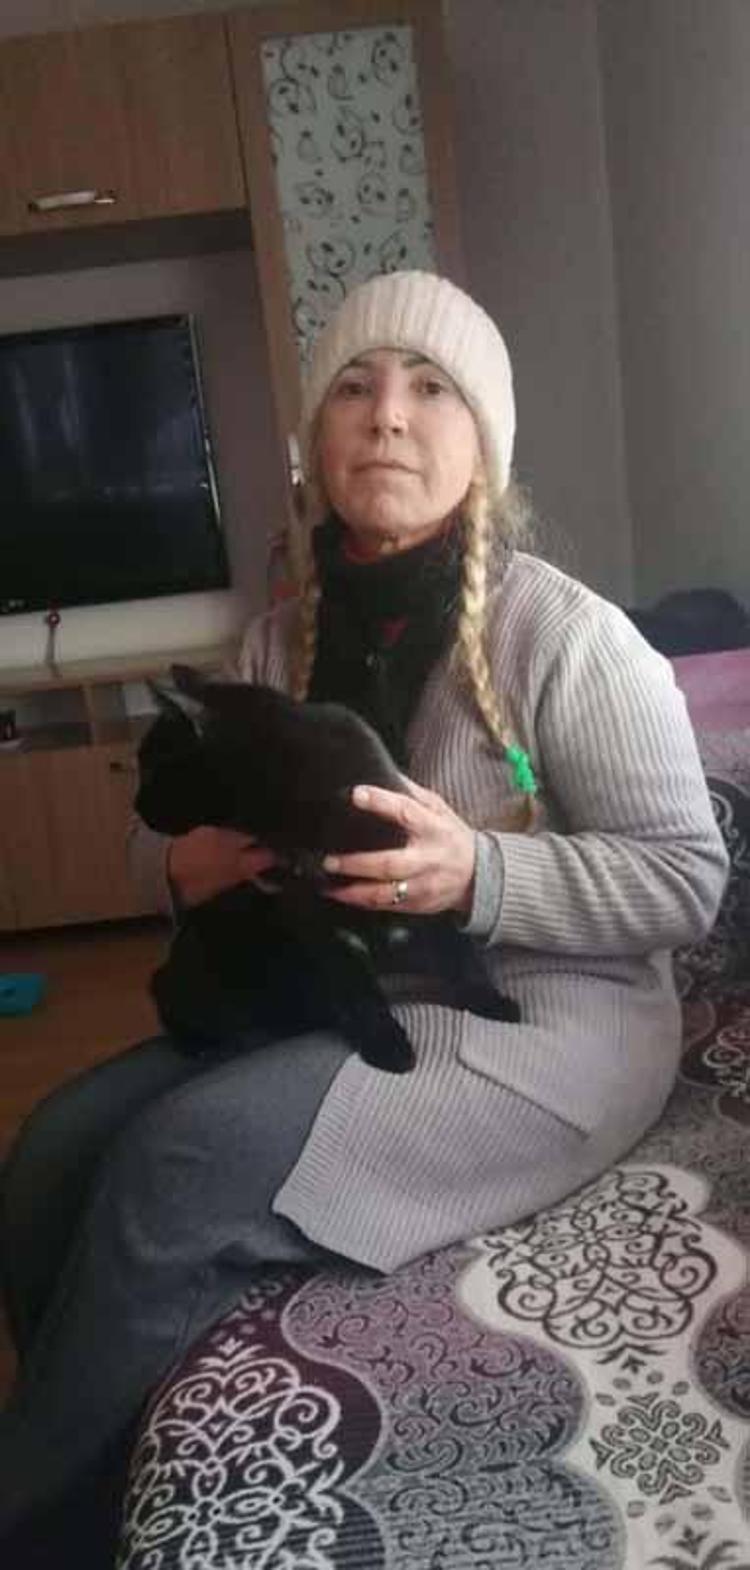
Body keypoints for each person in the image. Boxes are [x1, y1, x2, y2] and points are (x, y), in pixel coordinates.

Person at [0, 270, 728, 1554]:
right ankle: (76, 1467)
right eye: (355, 384)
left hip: (542, 1025)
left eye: (430, 387)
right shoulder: (274, 644)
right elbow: (152, 835)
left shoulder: (571, 637)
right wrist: (178, 868)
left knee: (174, 1166)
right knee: (55, 1148)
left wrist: (480, 873)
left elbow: (683, 879)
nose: (388, 412)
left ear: (483, 446)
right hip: (335, 995)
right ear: (316, 441)